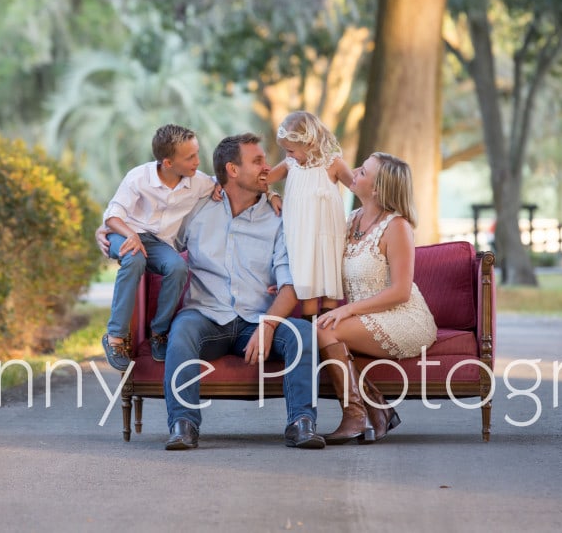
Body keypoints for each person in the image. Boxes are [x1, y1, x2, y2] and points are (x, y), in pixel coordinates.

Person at [100, 133, 325, 450]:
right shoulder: (196, 210)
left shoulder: (279, 218)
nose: (267, 167)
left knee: (302, 332)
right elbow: (150, 231)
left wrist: (269, 324)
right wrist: (108, 231)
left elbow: (291, 285)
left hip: (256, 322)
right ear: (232, 170)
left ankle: (302, 423)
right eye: (257, 161)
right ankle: (183, 425)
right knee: (182, 332)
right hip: (206, 317)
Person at [314, 152, 437, 444]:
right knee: (323, 332)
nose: (355, 172)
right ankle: (377, 409)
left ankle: (355, 416)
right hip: (366, 316)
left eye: (364, 172)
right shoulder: (351, 220)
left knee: (324, 330)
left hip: (404, 317)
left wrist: (348, 311)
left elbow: (400, 291)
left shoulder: (397, 227)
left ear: (378, 188)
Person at [100, 124, 217, 371]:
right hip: (124, 233)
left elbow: (226, 185)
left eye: (197, 153)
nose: (198, 161)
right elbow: (113, 216)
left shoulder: (198, 182)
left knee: (177, 266)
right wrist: (131, 235)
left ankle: (159, 333)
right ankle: (114, 338)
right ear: (168, 163)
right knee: (134, 258)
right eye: (190, 157)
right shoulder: (138, 178)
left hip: (159, 244)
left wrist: (270, 194)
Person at [267, 111, 353, 317]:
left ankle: (327, 331)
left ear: (311, 143)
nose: (288, 155)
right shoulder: (291, 165)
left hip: (329, 237)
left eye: (291, 150)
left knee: (329, 284)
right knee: (309, 289)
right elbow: (261, 180)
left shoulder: (334, 164)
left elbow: (360, 189)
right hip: (302, 240)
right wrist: (271, 195)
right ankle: (311, 336)